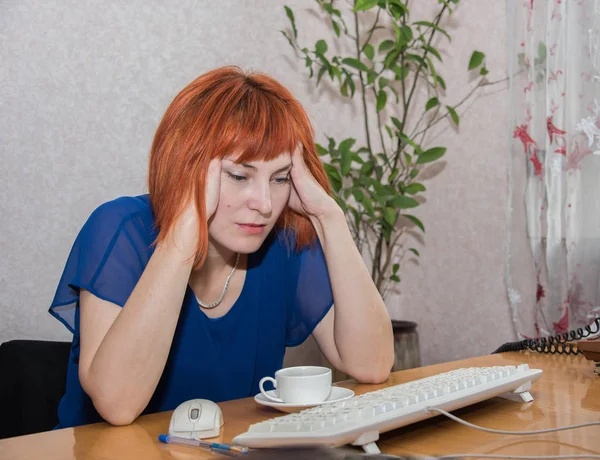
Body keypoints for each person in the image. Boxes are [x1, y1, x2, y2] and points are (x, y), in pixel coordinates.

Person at [49, 66, 394, 428]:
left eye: (280, 179)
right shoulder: (121, 229)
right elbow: (117, 405)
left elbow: (372, 365)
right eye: (239, 176)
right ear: (187, 167)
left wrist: (329, 217)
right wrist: (183, 234)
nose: (264, 204)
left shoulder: (283, 243)